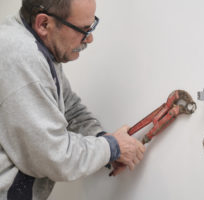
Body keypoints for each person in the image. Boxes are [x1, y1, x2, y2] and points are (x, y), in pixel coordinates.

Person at [0, 0, 146, 199]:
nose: (90, 38)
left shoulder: (36, 44)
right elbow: (55, 156)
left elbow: (70, 108)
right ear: (44, 24)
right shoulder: (22, 56)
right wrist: (112, 148)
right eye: (83, 29)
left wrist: (103, 139)